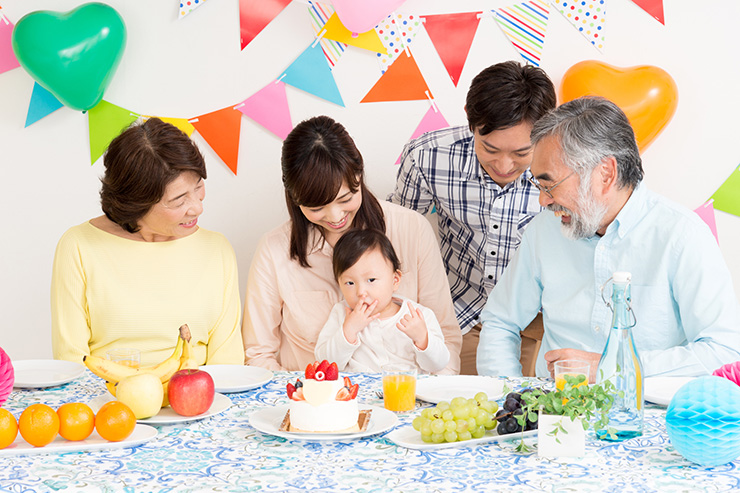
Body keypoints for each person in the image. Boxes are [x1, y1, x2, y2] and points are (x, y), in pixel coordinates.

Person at [477, 96, 740, 379]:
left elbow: (724, 352)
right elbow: (500, 321)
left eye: (550, 184)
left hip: (645, 414)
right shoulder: (543, 231)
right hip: (556, 414)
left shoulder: (681, 236)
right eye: (538, 185)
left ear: (605, 173)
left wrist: (611, 368)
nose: (543, 200)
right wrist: (511, 399)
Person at [243, 116, 462, 373]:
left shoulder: (411, 229)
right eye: (317, 207)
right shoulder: (274, 250)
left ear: (359, 175)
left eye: (345, 198)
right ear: (294, 199)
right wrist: (304, 397)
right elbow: (259, 355)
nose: (335, 217)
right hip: (315, 403)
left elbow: (445, 338)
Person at [388, 61, 557, 375]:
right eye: (490, 148)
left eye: (522, 153)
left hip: (543, 324)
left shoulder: (568, 167)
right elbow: (396, 242)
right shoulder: (428, 156)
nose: (504, 165)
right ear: (470, 119)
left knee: (541, 418)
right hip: (462, 317)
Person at [51, 118, 244, 367]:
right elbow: (70, 360)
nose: (197, 207)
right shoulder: (78, 246)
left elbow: (228, 363)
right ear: (136, 204)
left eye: (198, 188)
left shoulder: (216, 248)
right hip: (108, 401)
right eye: (178, 200)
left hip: (200, 402)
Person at [315, 229, 450, 373]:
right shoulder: (342, 314)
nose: (360, 292)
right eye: (349, 283)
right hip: (360, 392)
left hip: (407, 392)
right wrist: (348, 331)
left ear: (395, 280)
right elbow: (325, 364)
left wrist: (422, 338)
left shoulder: (418, 315)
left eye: (371, 280)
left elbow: (439, 364)